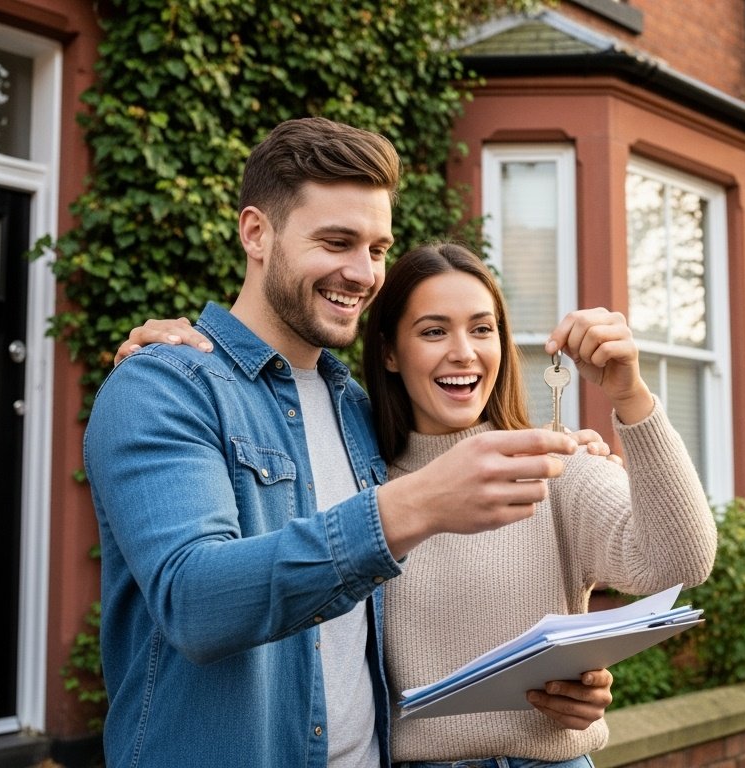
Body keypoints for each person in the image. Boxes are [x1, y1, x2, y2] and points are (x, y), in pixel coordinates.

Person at [85, 117, 613, 768]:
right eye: (337, 241)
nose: (363, 273)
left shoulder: (361, 412)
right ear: (256, 232)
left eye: (377, 248)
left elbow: (425, 613)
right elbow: (195, 601)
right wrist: (409, 508)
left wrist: (565, 684)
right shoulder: (164, 388)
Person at [123, 241, 718, 766]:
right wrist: (178, 358)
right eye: (434, 331)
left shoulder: (552, 466)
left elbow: (682, 561)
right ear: (389, 352)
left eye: (482, 329)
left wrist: (630, 396)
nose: (463, 352)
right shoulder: (355, 472)